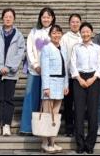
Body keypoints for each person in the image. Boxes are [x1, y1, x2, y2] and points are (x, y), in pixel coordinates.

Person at [0, 7, 26, 136]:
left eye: (10, 17)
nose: (8, 19)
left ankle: (7, 125)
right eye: (6, 16)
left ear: (14, 19)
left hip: (11, 73)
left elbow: (20, 53)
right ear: (2, 18)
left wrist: (9, 67)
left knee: (9, 99)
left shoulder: (19, 35)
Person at [20, 6, 56, 135]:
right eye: (43, 17)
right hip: (35, 71)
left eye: (48, 17)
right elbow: (29, 49)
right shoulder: (34, 32)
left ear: (52, 18)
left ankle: (44, 128)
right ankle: (26, 127)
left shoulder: (55, 32)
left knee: (47, 100)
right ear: (40, 18)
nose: (46, 19)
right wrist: (35, 65)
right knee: (30, 97)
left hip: (50, 72)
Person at [70, 22, 100, 155]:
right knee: (78, 111)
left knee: (92, 112)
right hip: (79, 78)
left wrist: (93, 78)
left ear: (91, 33)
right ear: (80, 33)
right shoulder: (76, 47)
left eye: (87, 31)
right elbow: (72, 64)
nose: (85, 34)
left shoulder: (97, 48)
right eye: (83, 32)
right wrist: (79, 79)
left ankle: (90, 144)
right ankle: (80, 143)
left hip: (93, 79)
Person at [40, 24, 69, 153]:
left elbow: (65, 69)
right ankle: (44, 142)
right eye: (54, 33)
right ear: (50, 35)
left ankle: (52, 141)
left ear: (61, 34)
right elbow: (45, 69)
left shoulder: (63, 48)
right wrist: (46, 87)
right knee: (47, 114)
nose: (56, 35)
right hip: (50, 84)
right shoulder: (46, 48)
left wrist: (66, 85)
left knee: (55, 116)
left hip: (60, 83)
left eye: (58, 33)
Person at [61, 13, 82, 136]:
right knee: (68, 104)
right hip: (68, 76)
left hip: (81, 76)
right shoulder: (65, 37)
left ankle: (78, 127)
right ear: (69, 24)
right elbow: (63, 57)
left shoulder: (83, 36)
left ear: (80, 23)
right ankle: (69, 128)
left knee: (79, 104)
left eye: (77, 22)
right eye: (73, 22)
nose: (75, 24)